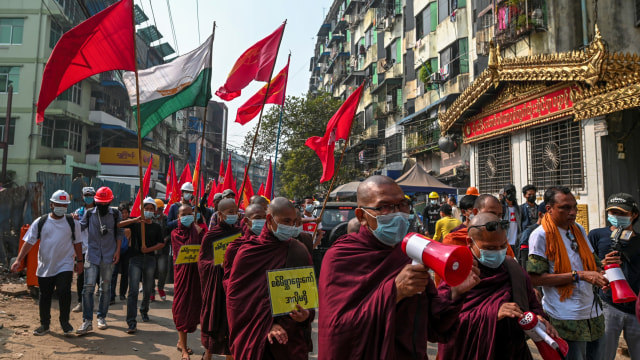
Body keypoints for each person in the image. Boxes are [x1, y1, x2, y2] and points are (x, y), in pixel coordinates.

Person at [318, 176, 480, 359]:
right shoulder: (341, 257)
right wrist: (395, 292)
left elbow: (433, 326)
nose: (398, 213)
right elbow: (336, 330)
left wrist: (455, 293)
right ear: (361, 216)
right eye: (385, 207)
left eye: (403, 205)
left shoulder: (408, 253)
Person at [437, 213, 558, 359]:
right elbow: (443, 322)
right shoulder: (458, 274)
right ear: (470, 242)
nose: (499, 252)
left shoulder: (512, 268)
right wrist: (492, 314)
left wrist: (538, 318)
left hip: (512, 351)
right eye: (490, 248)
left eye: (503, 246)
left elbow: (532, 303)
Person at [227, 197, 315, 359]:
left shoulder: (299, 251)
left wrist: (306, 315)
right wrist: (268, 324)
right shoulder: (248, 253)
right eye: (285, 221)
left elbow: (306, 297)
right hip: (255, 335)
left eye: (293, 222)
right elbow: (236, 301)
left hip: (290, 338)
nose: (290, 227)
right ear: (270, 219)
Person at [527, 186, 607, 359]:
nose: (573, 212)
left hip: (593, 314)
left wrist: (605, 269)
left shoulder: (578, 229)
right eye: (565, 208)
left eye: (574, 207)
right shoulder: (540, 235)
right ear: (549, 209)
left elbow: (594, 264)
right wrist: (580, 275)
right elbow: (534, 278)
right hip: (565, 317)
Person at [11, 190, 83, 336]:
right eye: (58, 204)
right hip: (45, 265)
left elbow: (78, 243)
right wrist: (19, 259)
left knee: (64, 292)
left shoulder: (72, 222)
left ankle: (65, 323)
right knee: (45, 295)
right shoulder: (41, 222)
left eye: (64, 205)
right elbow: (29, 242)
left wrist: (79, 261)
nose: (61, 207)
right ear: (51, 204)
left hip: (65, 264)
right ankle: (45, 324)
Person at [588, 193, 640, 360]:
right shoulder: (596, 235)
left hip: (636, 310)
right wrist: (602, 264)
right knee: (604, 355)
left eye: (622, 214)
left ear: (634, 214)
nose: (616, 217)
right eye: (613, 213)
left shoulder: (638, 241)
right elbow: (585, 268)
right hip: (608, 306)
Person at [199, 199, 241, 360]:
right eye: (230, 212)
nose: (234, 215)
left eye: (235, 211)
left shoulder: (239, 233)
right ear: (220, 214)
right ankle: (208, 354)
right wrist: (218, 265)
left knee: (230, 323)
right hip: (216, 286)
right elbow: (203, 262)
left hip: (232, 285)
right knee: (215, 320)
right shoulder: (211, 235)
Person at [77, 186, 122, 335]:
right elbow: (80, 227)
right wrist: (73, 220)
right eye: (100, 202)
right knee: (88, 288)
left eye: (105, 203)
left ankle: (101, 317)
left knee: (105, 288)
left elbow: (119, 234)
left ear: (110, 201)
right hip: (92, 255)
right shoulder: (90, 214)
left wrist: (117, 251)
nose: (102, 205)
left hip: (109, 256)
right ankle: (87, 321)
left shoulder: (115, 214)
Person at [119, 197, 165, 334]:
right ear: (142, 210)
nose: (149, 211)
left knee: (147, 288)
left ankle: (144, 310)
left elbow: (161, 243)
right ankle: (131, 322)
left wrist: (148, 250)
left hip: (150, 260)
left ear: (155, 211)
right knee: (133, 291)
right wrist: (135, 220)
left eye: (151, 209)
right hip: (135, 259)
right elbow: (119, 225)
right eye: (146, 209)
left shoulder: (157, 226)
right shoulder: (136, 224)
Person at [172, 204, 203, 360]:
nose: (187, 216)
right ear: (178, 217)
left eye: (190, 213)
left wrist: (200, 233)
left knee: (196, 309)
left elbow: (204, 251)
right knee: (182, 309)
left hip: (196, 276)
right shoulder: (175, 233)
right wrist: (196, 235)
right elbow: (184, 251)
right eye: (184, 214)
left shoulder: (198, 231)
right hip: (182, 276)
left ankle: (180, 342)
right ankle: (183, 348)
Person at [222, 204, 266, 292]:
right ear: (246, 220)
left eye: (264, 218)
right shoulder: (235, 246)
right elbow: (228, 280)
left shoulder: (271, 244)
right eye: (258, 218)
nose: (262, 221)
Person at [71, 186, 96, 313]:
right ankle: (81, 302)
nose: (88, 197)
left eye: (90, 195)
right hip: (82, 249)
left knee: (95, 277)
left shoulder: (99, 211)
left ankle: (92, 302)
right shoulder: (78, 212)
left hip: (96, 249)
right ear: (82, 196)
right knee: (81, 276)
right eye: (86, 195)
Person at [110, 202, 131, 305]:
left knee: (125, 273)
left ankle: (122, 293)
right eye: (122, 213)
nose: (124, 215)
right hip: (115, 250)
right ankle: (112, 295)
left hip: (127, 251)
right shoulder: (115, 222)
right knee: (113, 273)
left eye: (125, 213)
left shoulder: (131, 222)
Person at [153, 198, 170, 301]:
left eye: (156, 209)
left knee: (162, 270)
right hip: (152, 249)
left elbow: (171, 232)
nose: (155, 212)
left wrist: (166, 239)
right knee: (150, 271)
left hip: (163, 250)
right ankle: (151, 291)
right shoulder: (150, 219)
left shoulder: (166, 219)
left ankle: (160, 288)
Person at [502, 184, 522, 256]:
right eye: (508, 192)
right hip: (505, 242)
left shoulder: (518, 209)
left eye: (513, 192)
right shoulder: (502, 208)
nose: (511, 194)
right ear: (504, 193)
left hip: (516, 242)